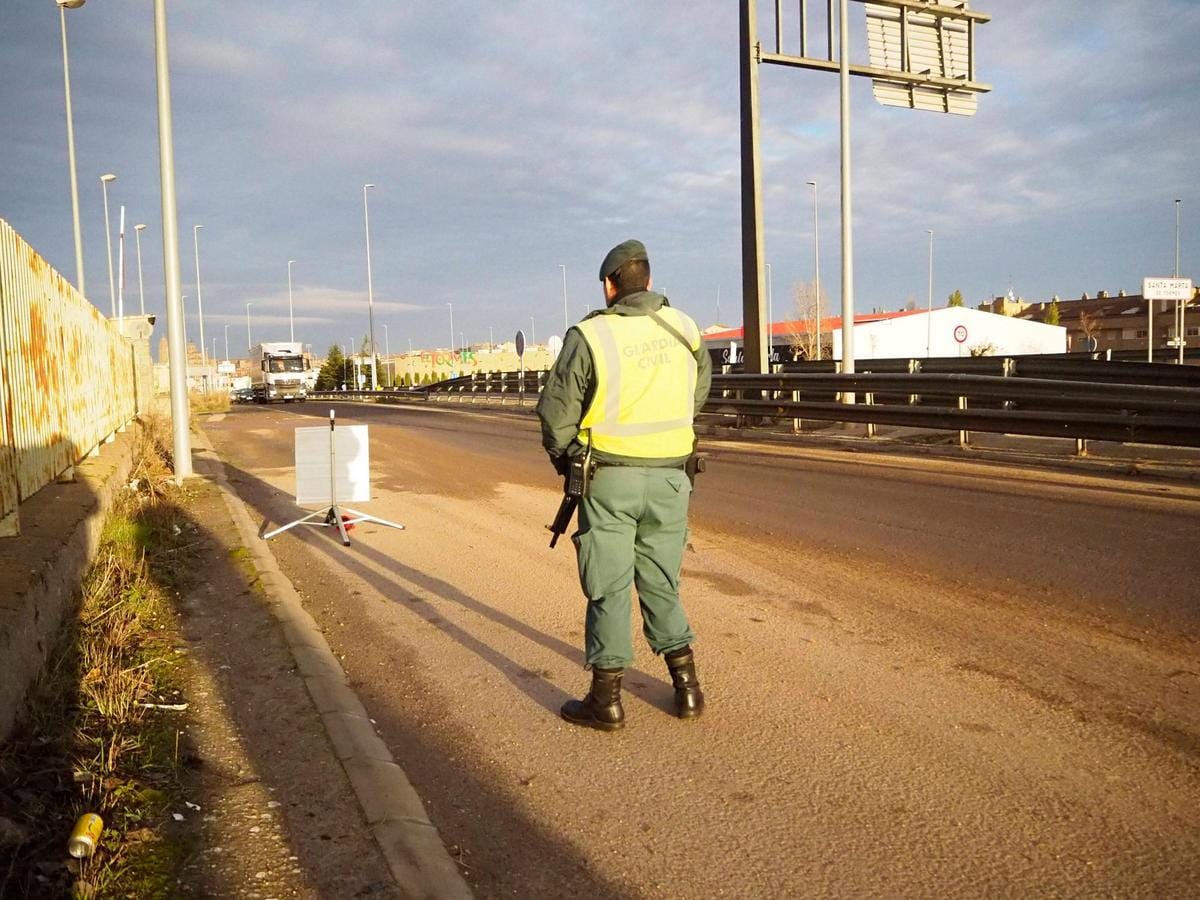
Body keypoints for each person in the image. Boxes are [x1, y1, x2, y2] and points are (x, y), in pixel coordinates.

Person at [536, 239, 712, 731]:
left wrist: (567, 459)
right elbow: (697, 392)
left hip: (610, 480)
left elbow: (556, 414)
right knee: (661, 580)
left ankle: (606, 702)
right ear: (649, 281)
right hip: (673, 479)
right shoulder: (685, 329)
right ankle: (688, 689)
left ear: (609, 285)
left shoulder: (591, 334)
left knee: (609, 587)